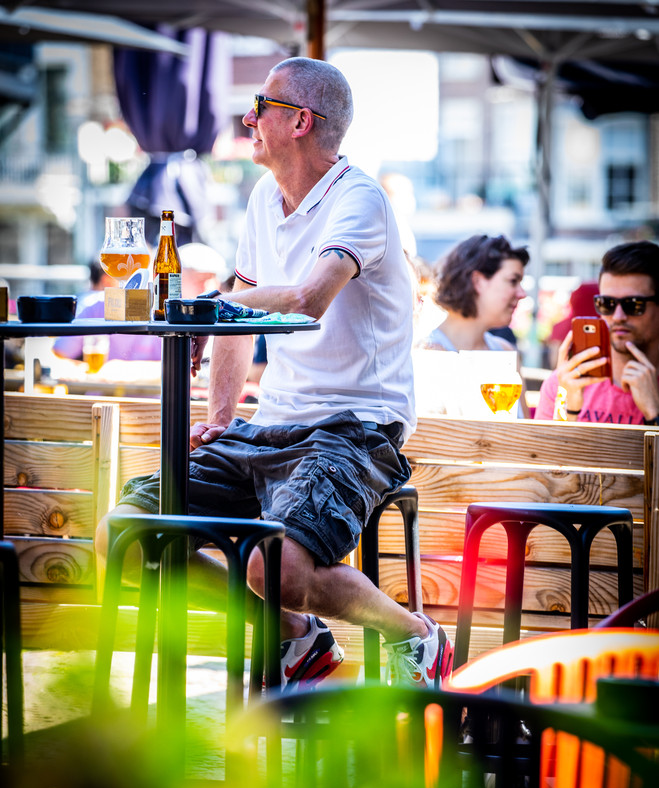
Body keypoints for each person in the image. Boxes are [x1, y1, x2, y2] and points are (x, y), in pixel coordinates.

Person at [96, 57, 453, 691]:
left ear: (299, 122)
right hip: (272, 425)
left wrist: (211, 306)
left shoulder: (359, 200)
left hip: (354, 426)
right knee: (124, 537)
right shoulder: (266, 196)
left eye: (261, 105)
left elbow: (311, 298)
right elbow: (241, 308)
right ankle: (294, 635)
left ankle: (416, 635)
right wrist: (219, 418)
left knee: (275, 569)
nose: (247, 117)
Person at [535, 240, 659, 425]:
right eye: (607, 304)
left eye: (634, 305)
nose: (618, 316)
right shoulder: (564, 384)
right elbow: (541, 453)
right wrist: (569, 412)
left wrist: (654, 413)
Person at [415, 234, 530, 416]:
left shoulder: (506, 352)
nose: (522, 293)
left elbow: (526, 435)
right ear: (477, 281)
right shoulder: (426, 354)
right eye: (513, 281)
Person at [52, 259, 162, 363]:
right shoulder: (94, 305)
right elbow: (60, 355)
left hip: (105, 379)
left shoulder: (93, 304)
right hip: (138, 380)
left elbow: (60, 354)